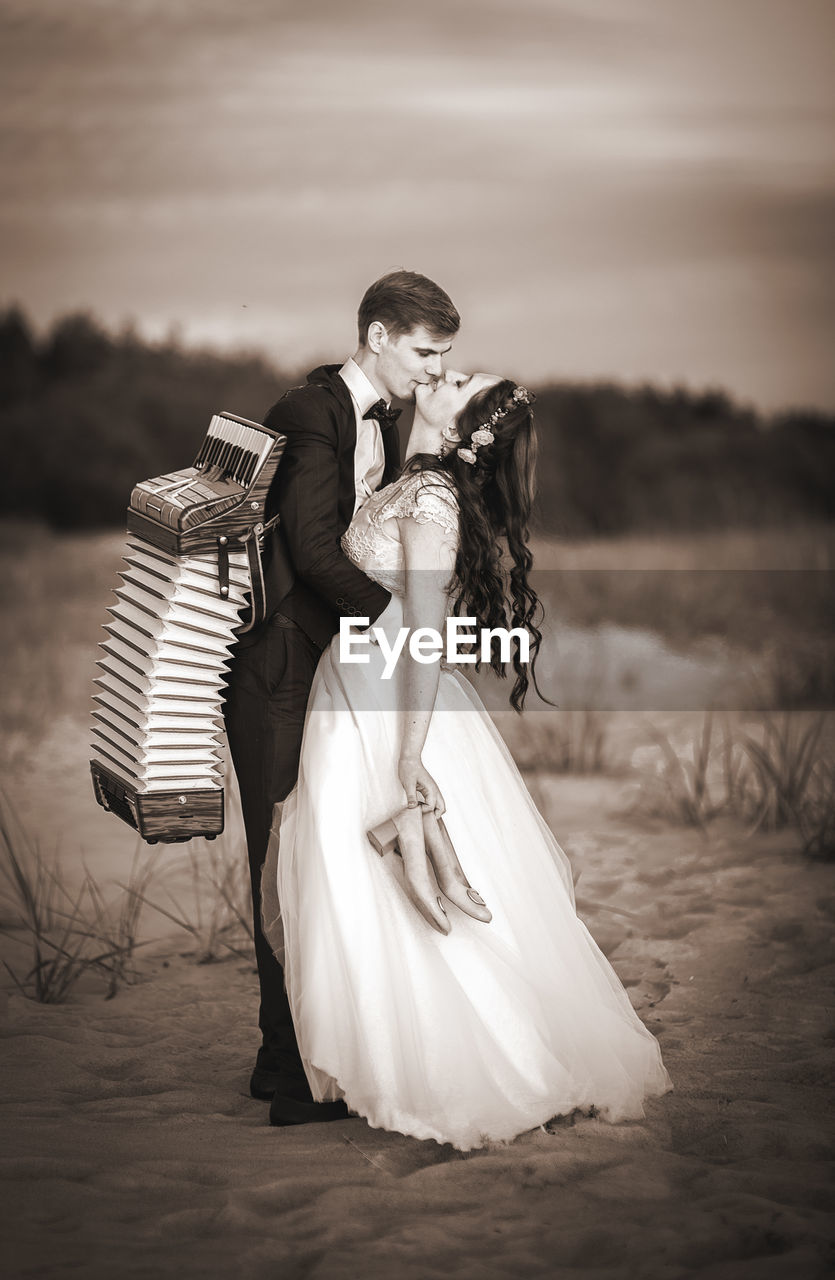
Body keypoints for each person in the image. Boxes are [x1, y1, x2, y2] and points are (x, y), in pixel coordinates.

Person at [265, 372, 674, 1149]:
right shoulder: (415, 481)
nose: (440, 374)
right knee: (352, 878)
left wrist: (410, 754)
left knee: (395, 873)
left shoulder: (431, 503)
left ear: (470, 428)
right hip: (349, 686)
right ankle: (383, 1055)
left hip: (389, 705)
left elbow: (424, 633)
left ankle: (482, 1063)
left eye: (458, 377)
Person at [223, 270, 461, 1125]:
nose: (433, 371)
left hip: (326, 668)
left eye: (444, 357)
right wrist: (403, 620)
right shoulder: (310, 411)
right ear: (376, 335)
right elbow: (318, 552)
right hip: (277, 668)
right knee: (280, 860)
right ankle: (291, 1077)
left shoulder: (385, 422)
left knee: (313, 857)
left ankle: (280, 1057)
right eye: (425, 353)